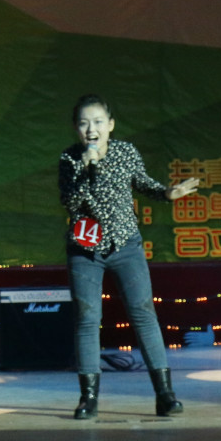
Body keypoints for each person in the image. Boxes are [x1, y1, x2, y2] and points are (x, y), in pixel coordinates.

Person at [58, 93, 201, 420]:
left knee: (143, 313)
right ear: (76, 129)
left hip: (126, 245)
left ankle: (165, 395)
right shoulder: (70, 159)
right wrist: (86, 168)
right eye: (84, 123)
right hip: (85, 248)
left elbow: (143, 183)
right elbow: (71, 201)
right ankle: (88, 398)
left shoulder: (125, 152)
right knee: (87, 319)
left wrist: (167, 192)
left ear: (110, 125)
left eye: (98, 122)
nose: (91, 129)